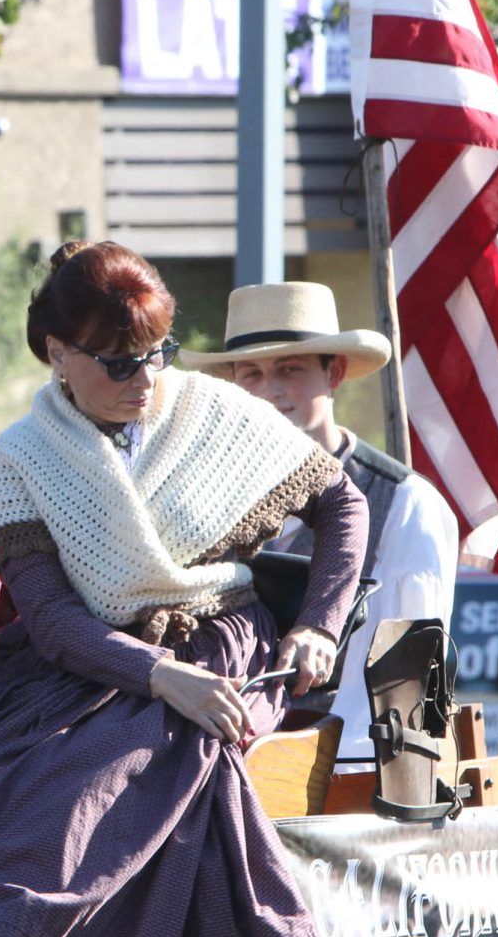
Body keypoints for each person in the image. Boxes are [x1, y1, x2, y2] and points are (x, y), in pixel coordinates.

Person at [0, 243, 367, 937]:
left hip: (220, 642)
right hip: (83, 659)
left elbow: (344, 505)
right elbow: (59, 620)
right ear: (56, 353)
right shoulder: (26, 455)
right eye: (117, 360)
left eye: (156, 350)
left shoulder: (221, 414)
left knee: (111, 767)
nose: (144, 376)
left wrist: (318, 625)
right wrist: (157, 675)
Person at [179, 283, 457, 734]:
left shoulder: (404, 501)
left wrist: (337, 767)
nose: (270, 391)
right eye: (251, 374)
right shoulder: (203, 492)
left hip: (343, 764)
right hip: (218, 748)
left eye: (290, 369)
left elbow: (406, 681)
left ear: (335, 372)